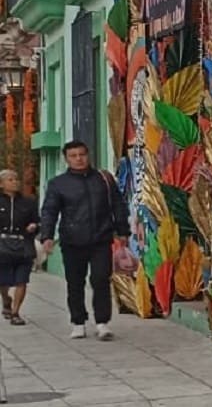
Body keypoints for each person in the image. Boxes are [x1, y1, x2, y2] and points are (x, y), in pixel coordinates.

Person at [37, 141, 130, 340]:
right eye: (73, 156)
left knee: (100, 279)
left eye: (82, 154)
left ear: (88, 155)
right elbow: (49, 211)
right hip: (72, 241)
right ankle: (78, 322)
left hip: (101, 238)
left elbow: (118, 205)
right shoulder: (58, 184)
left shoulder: (103, 179)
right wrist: (47, 236)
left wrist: (123, 230)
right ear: (67, 159)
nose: (78, 159)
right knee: (75, 283)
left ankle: (102, 322)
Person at [0, 169, 38, 325]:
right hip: (2, 246)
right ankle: (6, 299)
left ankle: (16, 313)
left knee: (22, 280)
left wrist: (34, 226)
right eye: (10, 179)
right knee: (3, 282)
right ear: (1, 184)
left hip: (23, 245)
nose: (15, 182)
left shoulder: (28, 202)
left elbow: (38, 221)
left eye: (16, 179)